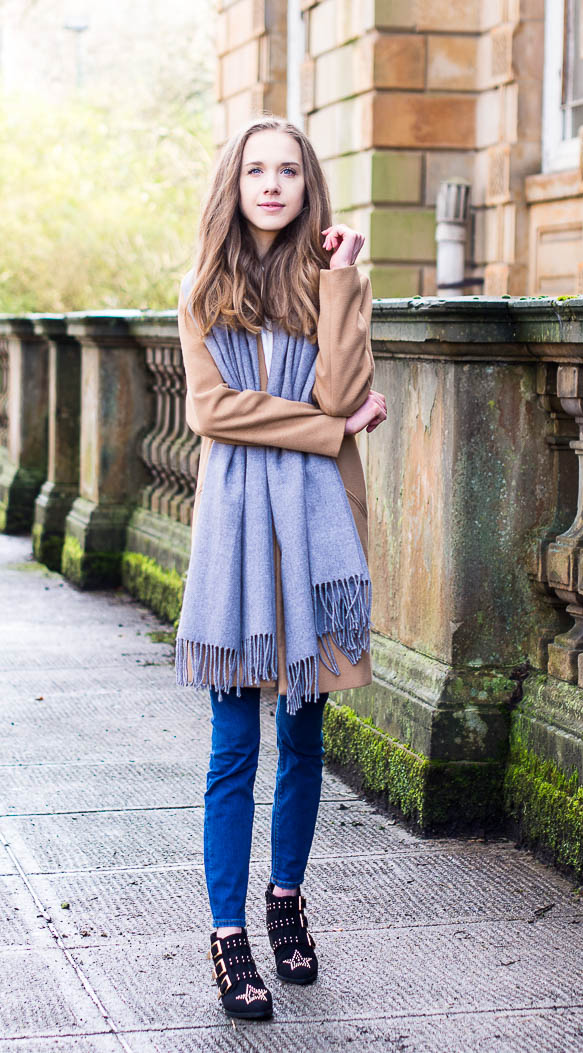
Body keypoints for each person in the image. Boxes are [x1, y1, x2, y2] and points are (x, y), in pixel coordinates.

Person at [175, 115, 387, 1021]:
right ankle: (229, 938)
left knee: (305, 737)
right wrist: (329, 430)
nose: (272, 184)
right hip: (237, 538)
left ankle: (287, 903)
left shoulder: (329, 281)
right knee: (235, 747)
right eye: (257, 169)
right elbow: (213, 411)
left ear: (308, 186)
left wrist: (341, 280)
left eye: (288, 170)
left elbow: (339, 387)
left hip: (317, 532)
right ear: (236, 182)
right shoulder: (202, 292)